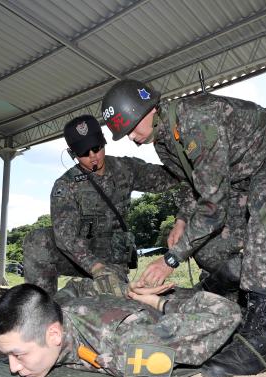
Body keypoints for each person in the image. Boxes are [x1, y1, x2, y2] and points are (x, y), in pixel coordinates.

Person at [101, 79, 266, 377]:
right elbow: (193, 184)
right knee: (210, 248)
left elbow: (213, 207)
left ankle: (260, 340)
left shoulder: (197, 119)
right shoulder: (165, 142)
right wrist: (182, 219)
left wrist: (170, 259)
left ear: (144, 110)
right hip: (244, 180)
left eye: (129, 129)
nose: (130, 138)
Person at [23, 114, 179, 297]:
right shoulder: (65, 185)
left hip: (113, 256)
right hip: (77, 256)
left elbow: (170, 178)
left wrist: (182, 216)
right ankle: (42, 308)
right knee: (37, 240)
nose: (92, 156)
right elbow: (66, 237)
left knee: (113, 301)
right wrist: (96, 268)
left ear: (104, 141)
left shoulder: (125, 168)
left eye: (96, 148)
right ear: (72, 153)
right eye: (83, 152)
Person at [0, 282, 241, 377]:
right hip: (126, 299)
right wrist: (119, 287)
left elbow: (226, 313)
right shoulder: (53, 310)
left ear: (54, 335)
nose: (12, 367)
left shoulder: (124, 348)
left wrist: (159, 302)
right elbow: (76, 286)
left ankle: (218, 277)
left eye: (18, 355)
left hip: (183, 302)